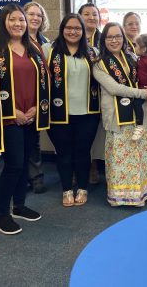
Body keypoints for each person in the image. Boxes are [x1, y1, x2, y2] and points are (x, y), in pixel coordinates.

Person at [0, 4, 50, 235]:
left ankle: (19, 205)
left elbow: (43, 78)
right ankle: (1, 214)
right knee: (13, 164)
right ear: (4, 21)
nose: (18, 24)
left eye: (22, 20)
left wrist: (37, 107)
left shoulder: (32, 47)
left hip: (31, 115)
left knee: (25, 161)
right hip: (8, 118)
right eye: (13, 19)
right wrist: (12, 111)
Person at [93, 22, 147, 207]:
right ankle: (121, 197)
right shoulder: (99, 64)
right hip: (117, 119)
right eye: (110, 37)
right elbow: (114, 88)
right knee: (121, 156)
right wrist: (145, 93)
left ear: (123, 38)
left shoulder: (134, 57)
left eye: (118, 36)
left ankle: (142, 192)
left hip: (139, 115)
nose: (114, 40)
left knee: (139, 155)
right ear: (104, 40)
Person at [43, 14, 100, 207]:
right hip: (58, 113)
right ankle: (67, 189)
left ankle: (82, 188)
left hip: (88, 112)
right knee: (64, 152)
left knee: (83, 152)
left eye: (77, 28)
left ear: (83, 31)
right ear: (62, 29)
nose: (73, 31)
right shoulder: (48, 50)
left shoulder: (93, 52)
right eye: (69, 27)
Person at [23, 1, 51, 194]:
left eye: (39, 15)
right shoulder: (15, 41)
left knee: (34, 139)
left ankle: (36, 176)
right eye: (31, 14)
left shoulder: (46, 43)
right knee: (18, 142)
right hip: (19, 99)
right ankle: (22, 178)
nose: (35, 18)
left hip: (39, 98)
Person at [79, 2, 103, 184]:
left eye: (95, 14)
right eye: (86, 14)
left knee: (95, 135)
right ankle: (78, 167)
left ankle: (94, 165)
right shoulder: (70, 37)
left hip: (101, 93)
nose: (91, 17)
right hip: (77, 94)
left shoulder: (105, 39)